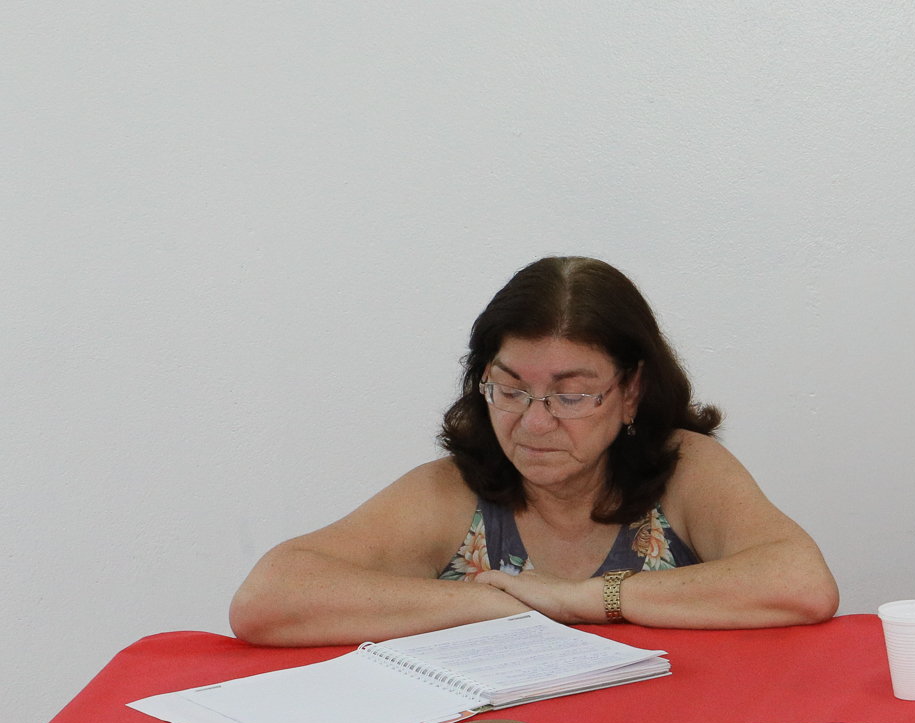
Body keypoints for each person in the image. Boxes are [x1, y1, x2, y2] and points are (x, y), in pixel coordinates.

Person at [231, 256, 839, 645]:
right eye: (510, 389)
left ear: (632, 392)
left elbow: (801, 582)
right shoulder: (452, 491)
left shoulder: (686, 467)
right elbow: (268, 599)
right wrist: (488, 604)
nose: (534, 423)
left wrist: (583, 599)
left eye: (570, 396)